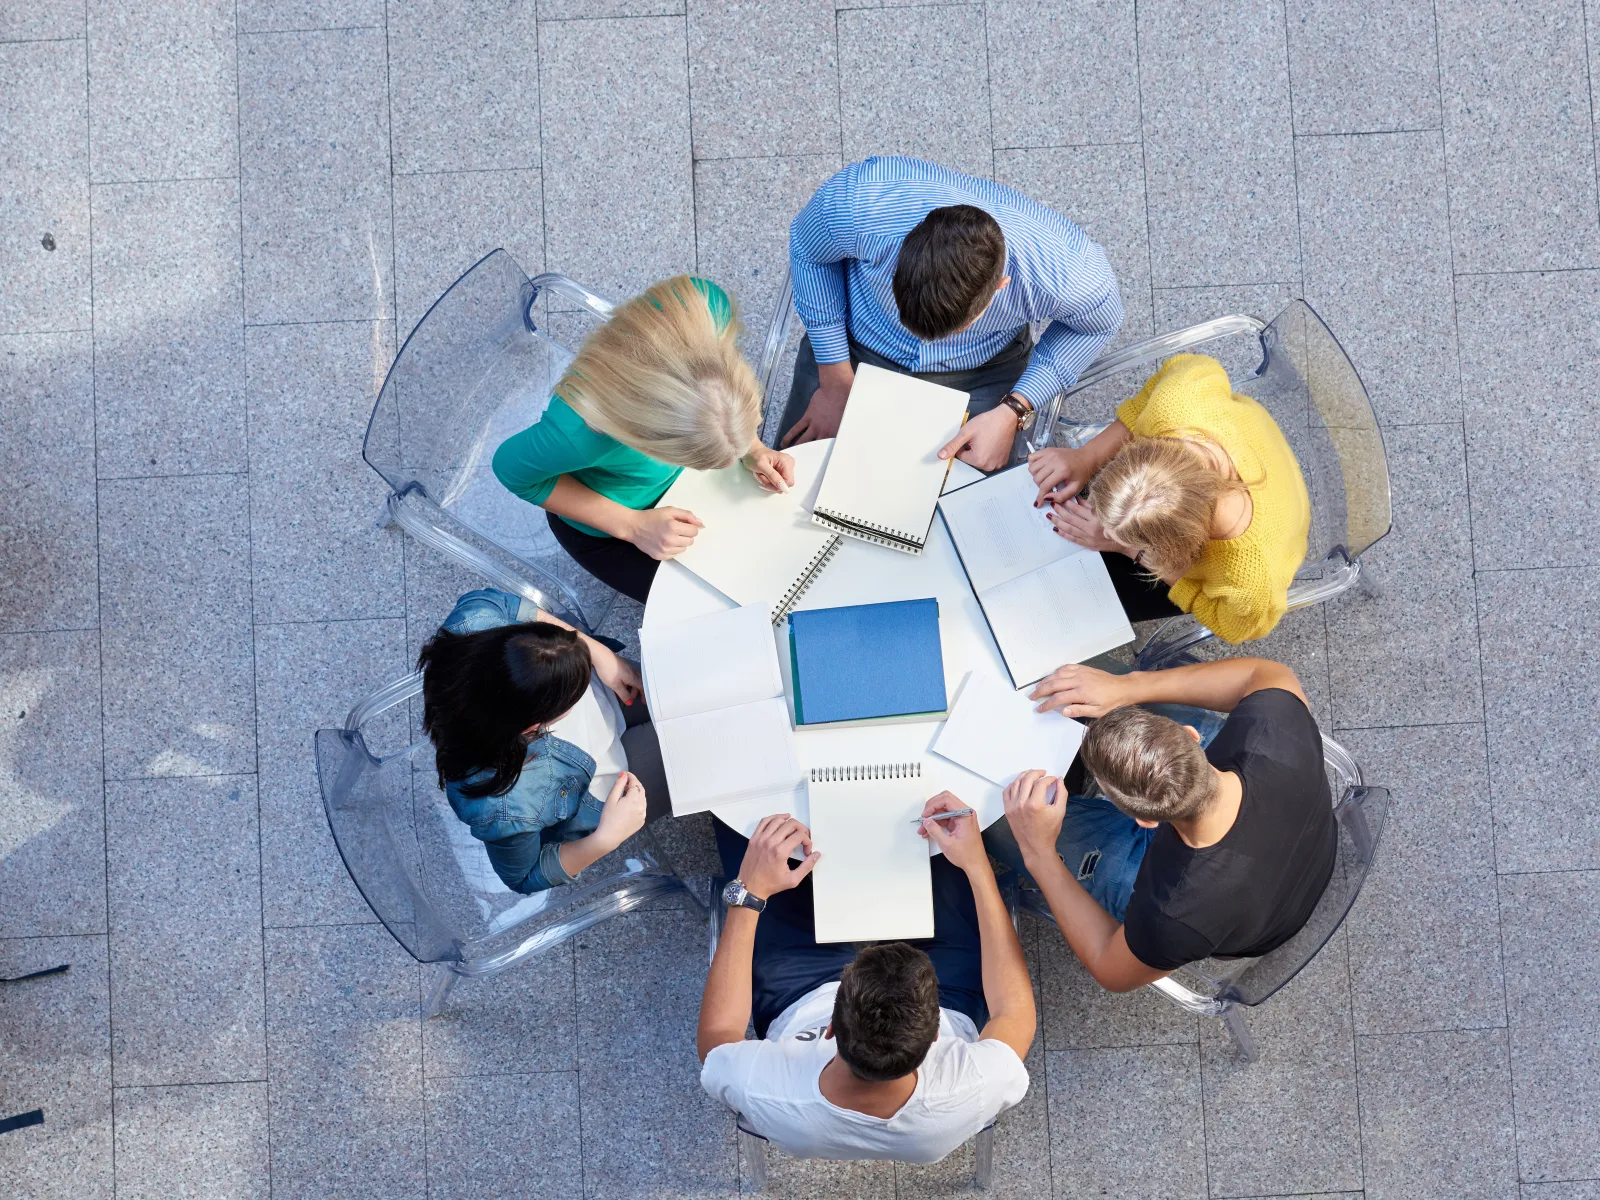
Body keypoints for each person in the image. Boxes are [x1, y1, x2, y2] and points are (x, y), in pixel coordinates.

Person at [697, 800, 1035, 1164]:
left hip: (798, 994)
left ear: (829, 1028)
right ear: (935, 1034)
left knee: (753, 824)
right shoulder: (977, 1084)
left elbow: (717, 1037)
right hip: (950, 995)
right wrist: (977, 865)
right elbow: (1013, 1012)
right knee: (940, 834)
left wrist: (749, 893)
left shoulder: (767, 1088)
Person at [984, 656, 1335, 991]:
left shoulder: (1173, 914)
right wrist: (1129, 687)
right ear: (1191, 736)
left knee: (997, 822)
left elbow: (1111, 968)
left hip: (1235, 910)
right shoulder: (1277, 725)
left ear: (1144, 819)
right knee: (1071, 675)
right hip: (1299, 838)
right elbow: (1262, 673)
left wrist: (1039, 853)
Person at [781, 156, 1123, 472]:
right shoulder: (857, 204)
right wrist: (834, 380)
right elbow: (809, 252)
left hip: (980, 370)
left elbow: (1095, 327)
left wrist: (1013, 411)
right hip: (853, 346)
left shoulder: (1068, 273)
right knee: (791, 473)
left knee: (974, 510)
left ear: (1001, 286)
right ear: (904, 252)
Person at [493, 275, 795, 604]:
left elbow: (713, 391)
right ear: (647, 444)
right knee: (707, 603)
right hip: (610, 522)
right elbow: (512, 472)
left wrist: (750, 446)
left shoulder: (705, 308)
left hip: (660, 491)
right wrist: (633, 526)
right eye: (697, 461)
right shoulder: (578, 435)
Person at [1028, 352, 1310, 643]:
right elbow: (1195, 366)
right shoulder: (1175, 406)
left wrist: (1127, 550)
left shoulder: (1249, 578)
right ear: (1142, 448)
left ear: (1178, 548)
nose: (1103, 526)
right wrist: (1087, 458)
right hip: (1251, 434)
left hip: (1284, 516)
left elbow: (1235, 627)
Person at [418, 588, 672, 894]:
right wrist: (605, 839)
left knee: (691, 690)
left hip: (605, 705)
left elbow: (503, 603)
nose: (583, 658)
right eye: (574, 695)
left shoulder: (473, 622)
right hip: (602, 786)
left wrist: (594, 651)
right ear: (532, 727)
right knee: (699, 744)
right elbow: (523, 877)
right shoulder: (502, 805)